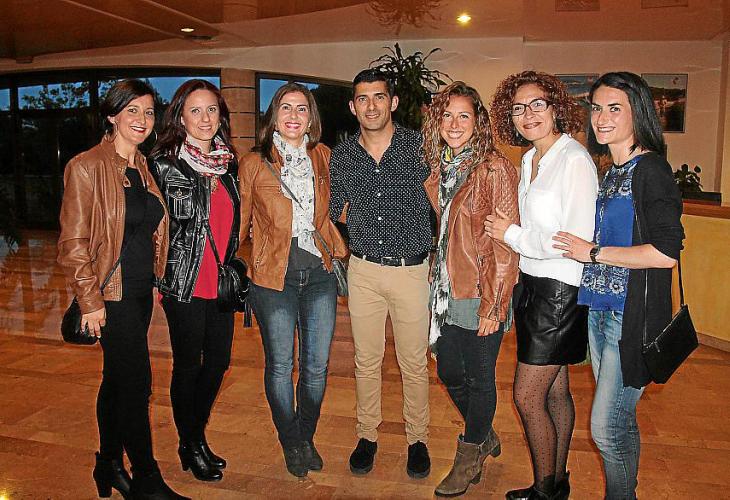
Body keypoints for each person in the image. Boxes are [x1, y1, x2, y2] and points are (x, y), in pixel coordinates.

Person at [552, 72, 684, 500]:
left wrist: (592, 252)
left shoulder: (651, 170)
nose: (601, 118)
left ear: (638, 112)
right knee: (619, 423)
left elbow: (665, 252)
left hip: (631, 317)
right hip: (601, 310)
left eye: (614, 108)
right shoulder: (612, 171)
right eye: (596, 108)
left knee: (606, 428)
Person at [58, 79, 189, 500]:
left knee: (116, 380)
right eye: (132, 110)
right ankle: (147, 479)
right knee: (137, 384)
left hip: (138, 293)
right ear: (112, 115)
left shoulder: (143, 167)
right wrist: (90, 301)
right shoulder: (87, 166)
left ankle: (108, 465)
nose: (142, 119)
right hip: (109, 296)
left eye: (148, 112)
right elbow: (73, 243)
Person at [486, 70, 598, 500]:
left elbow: (575, 240)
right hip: (532, 285)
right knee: (555, 390)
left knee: (527, 396)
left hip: (560, 291)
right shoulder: (531, 159)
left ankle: (545, 490)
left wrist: (512, 234)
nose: (528, 114)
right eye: (518, 107)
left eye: (537, 104)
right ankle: (557, 482)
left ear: (556, 108)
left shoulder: (574, 159)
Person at [239, 82, 347, 478]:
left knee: (316, 366)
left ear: (311, 118)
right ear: (273, 116)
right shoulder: (254, 163)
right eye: (286, 107)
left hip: (319, 273)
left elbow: (341, 209)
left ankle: (305, 436)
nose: (293, 115)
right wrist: (236, 266)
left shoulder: (325, 157)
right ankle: (291, 440)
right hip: (273, 277)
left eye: (302, 108)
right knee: (281, 365)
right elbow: (241, 222)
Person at [329, 69, 433, 479]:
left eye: (378, 97)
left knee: (414, 362)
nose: (371, 106)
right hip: (364, 271)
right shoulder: (343, 154)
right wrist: (364, 220)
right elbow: (335, 207)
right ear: (352, 106)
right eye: (362, 98)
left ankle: (418, 439)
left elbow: (440, 200)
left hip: (412, 271)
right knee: (366, 361)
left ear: (393, 102)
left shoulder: (418, 147)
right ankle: (367, 434)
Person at [422, 81, 520, 497]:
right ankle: (484, 435)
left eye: (464, 115)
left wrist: (494, 305)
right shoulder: (444, 166)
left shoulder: (493, 168)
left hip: (481, 288)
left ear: (479, 122)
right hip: (447, 288)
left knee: (479, 378)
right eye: (447, 115)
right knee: (449, 371)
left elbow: (504, 242)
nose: (454, 123)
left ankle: (468, 456)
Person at [149, 79, 240, 483]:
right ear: (180, 117)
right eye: (195, 111)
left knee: (218, 362)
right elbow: (152, 226)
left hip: (219, 282)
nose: (205, 119)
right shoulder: (163, 165)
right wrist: (153, 276)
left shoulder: (228, 165)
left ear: (221, 116)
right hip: (184, 281)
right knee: (188, 366)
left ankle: (194, 437)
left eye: (211, 110)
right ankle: (190, 443)